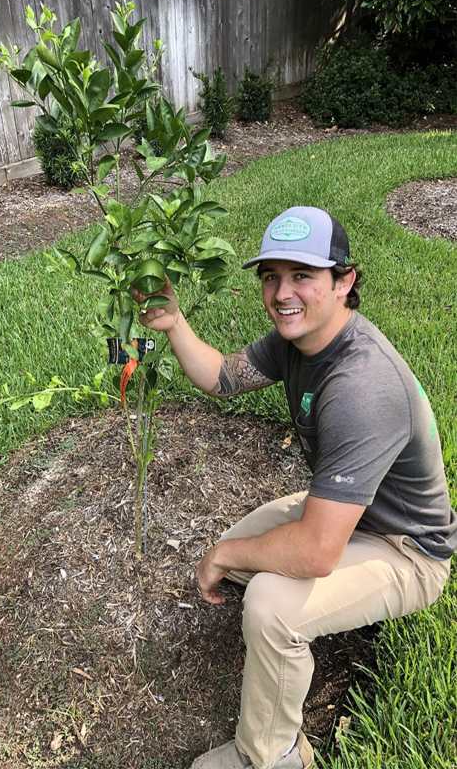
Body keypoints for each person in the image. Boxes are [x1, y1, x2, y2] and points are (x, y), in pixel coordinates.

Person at [133, 206, 456, 769]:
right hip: (352, 515)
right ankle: (274, 644)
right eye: (271, 276)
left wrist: (224, 553)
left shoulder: (361, 386)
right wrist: (174, 324)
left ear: (344, 281)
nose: (283, 293)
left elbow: (314, 551)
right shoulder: (300, 340)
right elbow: (224, 377)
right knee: (243, 556)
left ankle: (273, 755)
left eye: (302, 276)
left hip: (407, 550)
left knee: (269, 601)